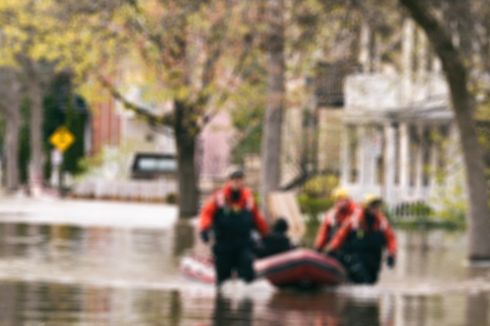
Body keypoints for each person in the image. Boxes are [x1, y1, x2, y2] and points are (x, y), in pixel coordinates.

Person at [199, 169, 269, 288]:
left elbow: (257, 218)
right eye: (235, 180)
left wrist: (266, 234)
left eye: (240, 179)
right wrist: (205, 229)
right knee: (222, 280)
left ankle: (245, 303)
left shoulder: (248, 199)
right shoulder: (219, 198)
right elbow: (206, 214)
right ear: (229, 181)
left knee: (247, 274)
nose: (238, 182)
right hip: (224, 244)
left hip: (243, 244)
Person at [325, 194, 397, 284]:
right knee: (361, 279)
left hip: (374, 259)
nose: (375, 208)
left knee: (371, 281)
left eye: (376, 206)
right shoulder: (354, 220)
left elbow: (391, 238)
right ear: (366, 207)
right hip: (357, 257)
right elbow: (340, 236)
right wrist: (331, 249)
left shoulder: (381, 222)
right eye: (372, 206)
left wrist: (392, 254)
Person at [314, 187, 357, 253]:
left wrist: (332, 246)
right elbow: (323, 231)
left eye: (342, 199)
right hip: (337, 247)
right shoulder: (332, 213)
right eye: (338, 200)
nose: (340, 202)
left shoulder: (354, 211)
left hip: (349, 247)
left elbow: (344, 230)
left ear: (347, 199)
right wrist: (318, 246)